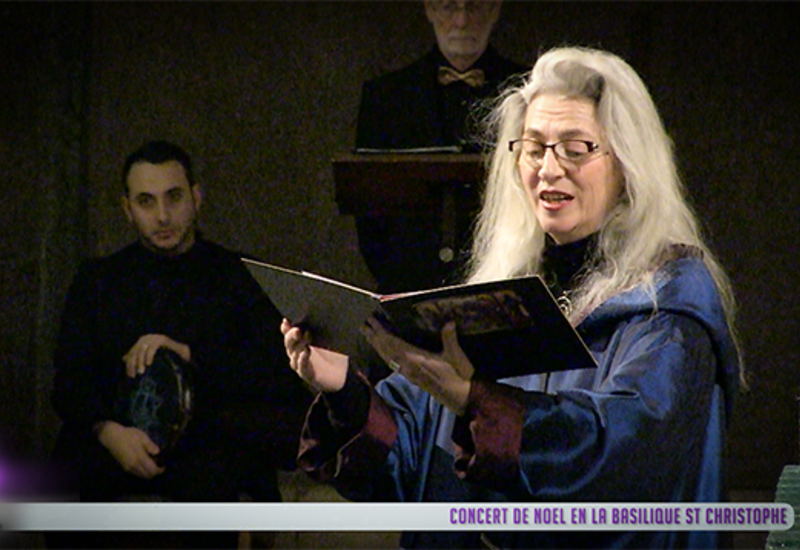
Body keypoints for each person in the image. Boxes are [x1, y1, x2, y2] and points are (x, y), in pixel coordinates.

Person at [283, 47, 742, 550]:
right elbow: (410, 452)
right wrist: (343, 386)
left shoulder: (668, 307)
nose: (549, 168)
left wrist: (474, 400)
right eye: (534, 147)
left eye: (576, 147)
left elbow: (620, 452)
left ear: (628, 166)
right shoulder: (505, 296)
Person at [49, 140, 309, 550]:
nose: (163, 215)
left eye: (174, 197)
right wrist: (108, 431)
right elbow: (69, 379)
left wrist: (189, 354)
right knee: (68, 475)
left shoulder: (238, 278)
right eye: (146, 202)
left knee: (219, 482)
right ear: (127, 208)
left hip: (209, 440)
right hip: (118, 439)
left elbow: (279, 375)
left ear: (196, 196)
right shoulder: (98, 281)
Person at [355, 0, 528, 294]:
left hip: (509, 281)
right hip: (410, 282)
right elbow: (368, 209)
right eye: (449, 7)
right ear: (429, 9)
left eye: (474, 6)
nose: (461, 20)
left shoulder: (530, 89)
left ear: (495, 9)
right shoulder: (385, 96)